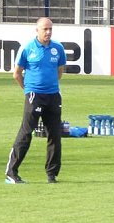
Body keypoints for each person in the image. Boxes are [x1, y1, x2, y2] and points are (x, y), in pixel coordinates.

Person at [5, 17, 67, 184]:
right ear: (37, 30)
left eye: (50, 29)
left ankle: (52, 174)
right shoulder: (27, 48)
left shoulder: (58, 48)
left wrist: (51, 87)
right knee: (26, 133)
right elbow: (17, 74)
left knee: (54, 135)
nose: (48, 32)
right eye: (45, 29)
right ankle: (11, 172)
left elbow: (59, 72)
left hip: (53, 95)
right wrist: (28, 90)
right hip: (34, 95)